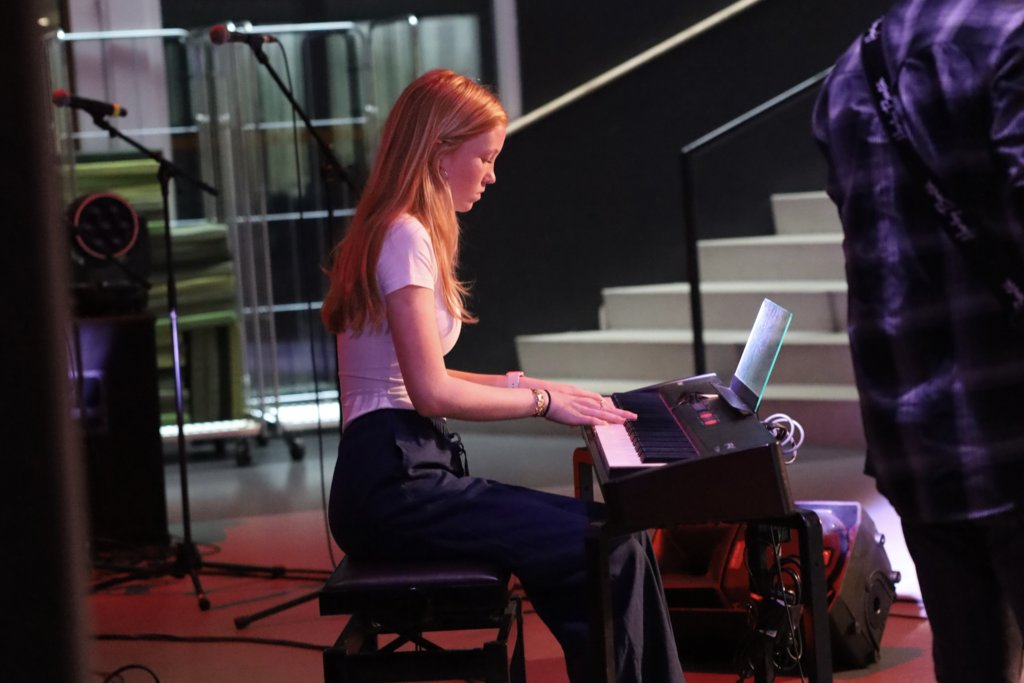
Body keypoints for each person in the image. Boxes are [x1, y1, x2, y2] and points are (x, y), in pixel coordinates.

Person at [320, 68, 685, 683]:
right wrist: (542, 403)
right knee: (608, 547)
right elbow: (430, 392)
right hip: (392, 486)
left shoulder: (394, 229)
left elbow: (418, 377)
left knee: (611, 541)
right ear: (439, 152)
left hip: (393, 473)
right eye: (484, 158)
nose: (491, 175)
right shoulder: (404, 235)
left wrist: (531, 386)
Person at [812, 2, 1024, 681]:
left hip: (912, 431)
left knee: (969, 659)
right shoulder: (1011, 36)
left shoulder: (850, 70)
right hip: (1009, 418)